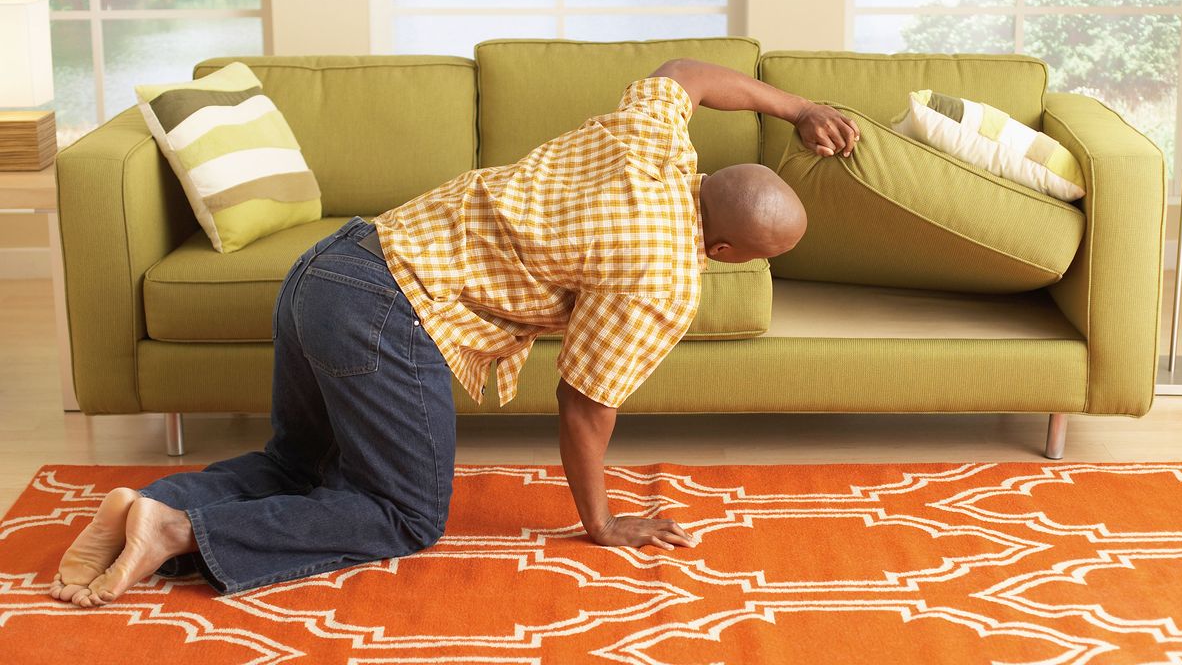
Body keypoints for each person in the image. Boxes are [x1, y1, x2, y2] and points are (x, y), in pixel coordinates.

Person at [48, 58, 860, 607]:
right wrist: (602, 523)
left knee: (296, 462)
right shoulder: (669, 278)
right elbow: (585, 404)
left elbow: (682, 74)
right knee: (403, 513)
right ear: (723, 252)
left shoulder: (652, 142)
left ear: (711, 176)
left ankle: (143, 510)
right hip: (386, 313)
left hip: (330, 266)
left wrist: (798, 108)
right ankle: (184, 529)